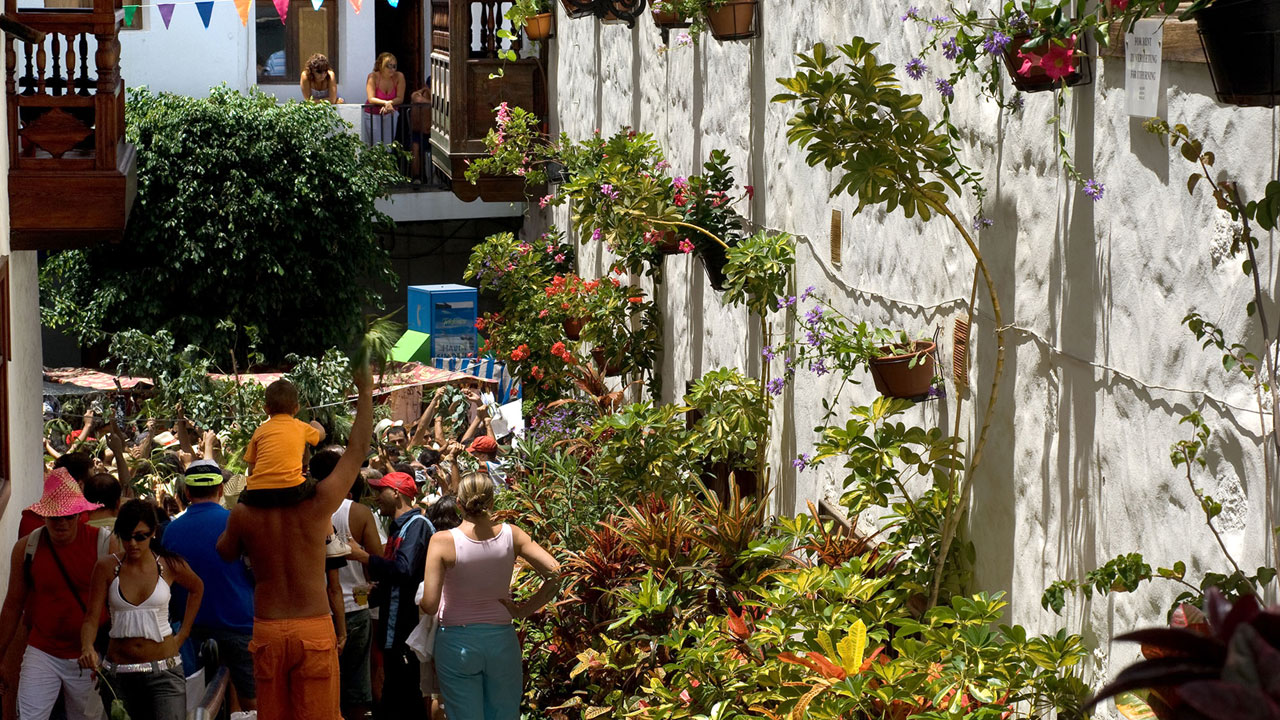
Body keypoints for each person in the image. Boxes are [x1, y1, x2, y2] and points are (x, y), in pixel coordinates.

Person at [217, 366, 374, 720]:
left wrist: (236, 515)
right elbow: (358, 448)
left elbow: (225, 552)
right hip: (313, 626)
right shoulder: (318, 504)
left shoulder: (244, 512)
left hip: (268, 627)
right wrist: (365, 393)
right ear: (301, 460)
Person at [420, 473, 560, 720]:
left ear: (459, 504)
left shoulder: (442, 541)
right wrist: (524, 609)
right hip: (501, 640)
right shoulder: (512, 534)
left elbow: (430, 605)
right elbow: (556, 573)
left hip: (456, 641)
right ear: (492, 501)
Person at [0, 469, 117, 720]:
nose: (62, 523)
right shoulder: (26, 549)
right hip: (43, 650)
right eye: (55, 517)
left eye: (69, 516)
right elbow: (12, 605)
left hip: (90, 654)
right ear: (44, 515)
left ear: (80, 515)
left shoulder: (105, 544)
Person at [79, 500, 204, 720]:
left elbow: (197, 588)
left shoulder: (168, 565)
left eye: (140, 536)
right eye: (126, 537)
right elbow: (91, 617)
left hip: (164, 670)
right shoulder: (107, 567)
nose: (132, 544)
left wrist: (183, 633)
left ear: (153, 533)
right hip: (118, 674)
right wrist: (87, 646)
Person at [159, 459, 257, 713]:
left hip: (190, 630)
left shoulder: (171, 531)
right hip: (239, 624)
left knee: (196, 704)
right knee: (252, 701)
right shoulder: (237, 522)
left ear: (187, 492)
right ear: (221, 490)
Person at [346, 471, 432, 720]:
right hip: (394, 628)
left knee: (405, 695)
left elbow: (404, 571)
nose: (375, 497)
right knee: (395, 692)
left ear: (396, 493)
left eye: (380, 490)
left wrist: (364, 557)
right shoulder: (401, 528)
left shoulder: (417, 526)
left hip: (407, 629)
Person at [314, 447, 384, 720]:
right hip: (355, 606)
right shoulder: (358, 512)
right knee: (356, 689)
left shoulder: (304, 509)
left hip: (317, 612)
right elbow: (377, 560)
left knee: (322, 687)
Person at [242, 379, 326, 508]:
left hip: (258, 491)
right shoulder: (301, 427)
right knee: (315, 484)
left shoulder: (259, 431)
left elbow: (251, 468)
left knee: (242, 498)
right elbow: (321, 436)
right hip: (291, 489)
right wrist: (316, 425)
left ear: (266, 409)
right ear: (296, 408)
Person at [365, 52, 405, 146]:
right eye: (388, 66)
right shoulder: (373, 77)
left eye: (394, 66)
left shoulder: (399, 77)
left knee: (388, 146)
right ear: (380, 65)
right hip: (373, 114)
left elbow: (400, 98)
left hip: (390, 113)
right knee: (375, 147)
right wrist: (386, 103)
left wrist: (388, 104)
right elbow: (371, 98)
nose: (392, 69)